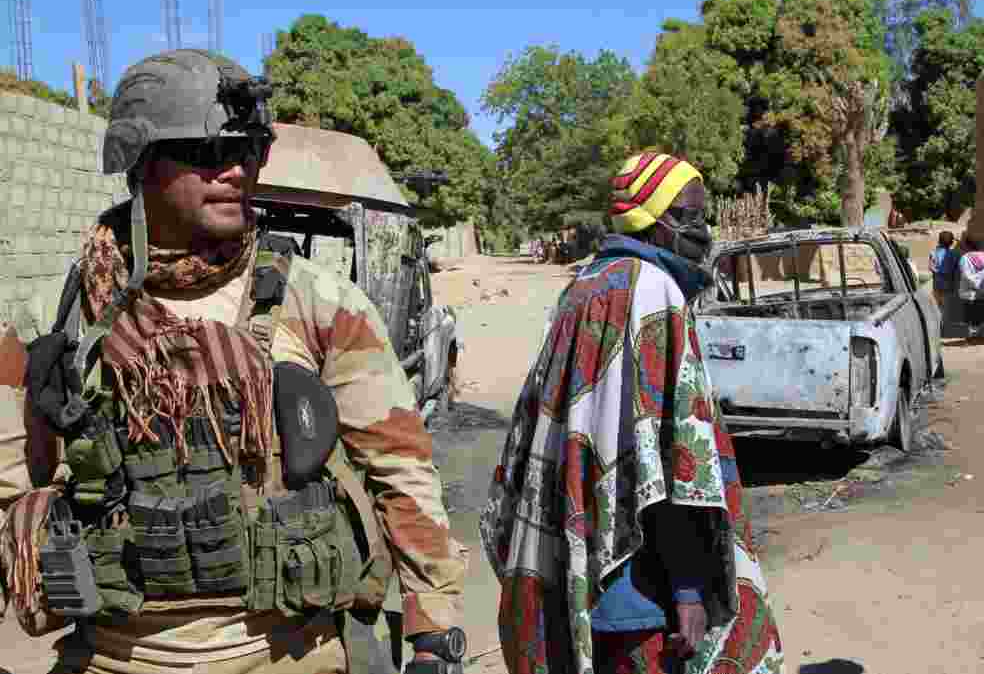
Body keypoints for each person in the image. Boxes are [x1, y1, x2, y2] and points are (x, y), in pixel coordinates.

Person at [0, 50, 466, 674]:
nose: (235, 171)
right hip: (114, 656)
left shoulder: (313, 300)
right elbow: (15, 485)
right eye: (205, 153)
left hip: (288, 654)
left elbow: (399, 466)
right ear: (139, 163)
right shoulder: (63, 317)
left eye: (250, 151)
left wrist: (433, 631)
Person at [480, 153, 783, 674]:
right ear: (653, 219)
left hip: (587, 563)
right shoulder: (650, 289)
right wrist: (689, 589)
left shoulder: (587, 282)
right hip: (640, 583)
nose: (701, 229)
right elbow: (669, 454)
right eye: (688, 216)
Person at [958, 236, 984, 338]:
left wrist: (974, 284)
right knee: (980, 309)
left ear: (967, 246)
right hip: (982, 289)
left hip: (968, 290)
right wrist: (982, 285)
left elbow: (965, 274)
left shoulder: (965, 258)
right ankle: (983, 333)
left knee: (969, 312)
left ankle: (972, 334)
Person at [929, 231, 956, 312]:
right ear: (951, 243)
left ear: (939, 241)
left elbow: (930, 267)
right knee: (946, 309)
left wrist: (937, 272)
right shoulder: (953, 254)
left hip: (937, 285)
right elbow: (955, 268)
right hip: (949, 286)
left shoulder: (933, 253)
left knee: (937, 309)